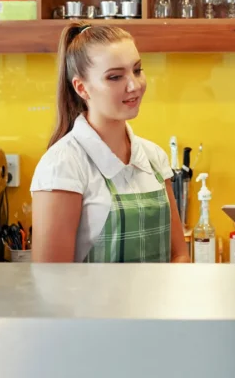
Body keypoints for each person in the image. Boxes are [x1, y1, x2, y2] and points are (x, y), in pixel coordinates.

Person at [30, 24, 189, 263]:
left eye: (137, 70)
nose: (134, 85)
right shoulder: (62, 166)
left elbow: (180, 255)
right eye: (115, 77)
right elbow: (51, 279)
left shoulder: (154, 157)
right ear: (82, 88)